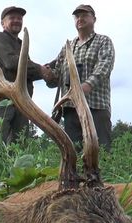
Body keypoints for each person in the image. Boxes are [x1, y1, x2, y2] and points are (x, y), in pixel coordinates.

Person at [45, 4, 115, 151]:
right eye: (77, 16)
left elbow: (104, 67)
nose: (80, 19)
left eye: (84, 15)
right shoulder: (68, 47)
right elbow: (56, 77)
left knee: (101, 153)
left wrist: (85, 87)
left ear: (94, 19)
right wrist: (46, 74)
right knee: (73, 154)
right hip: (71, 110)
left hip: (95, 107)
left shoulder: (103, 41)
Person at [0, 6, 52, 144]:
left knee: (20, 145)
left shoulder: (21, 44)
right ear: (3, 23)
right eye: (12, 18)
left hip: (20, 100)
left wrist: (47, 71)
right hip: (0, 99)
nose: (17, 21)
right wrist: (41, 70)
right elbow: (11, 62)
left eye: (19, 18)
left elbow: (26, 71)